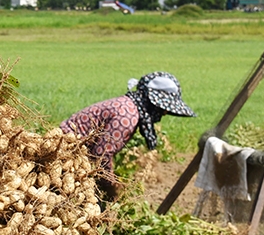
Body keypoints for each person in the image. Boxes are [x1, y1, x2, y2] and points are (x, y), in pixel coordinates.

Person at [60, 71, 196, 200]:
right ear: (152, 103)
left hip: (72, 154)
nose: (165, 113)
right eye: (163, 108)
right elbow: (101, 156)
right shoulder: (127, 116)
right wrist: (112, 188)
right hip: (64, 154)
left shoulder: (128, 106)